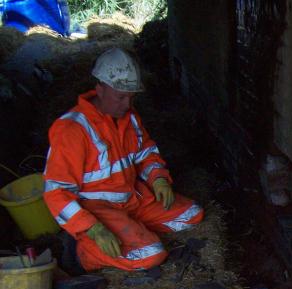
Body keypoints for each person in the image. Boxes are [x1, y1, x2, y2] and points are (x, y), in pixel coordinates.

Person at [43, 47, 203, 272]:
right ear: (100, 89)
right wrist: (93, 228)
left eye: (131, 96)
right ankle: (81, 253)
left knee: (192, 215)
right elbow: (56, 192)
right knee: (151, 254)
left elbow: (146, 153)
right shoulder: (72, 129)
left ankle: (132, 228)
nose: (127, 104)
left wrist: (158, 179)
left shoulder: (129, 117)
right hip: (98, 209)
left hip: (132, 200)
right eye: (121, 97)